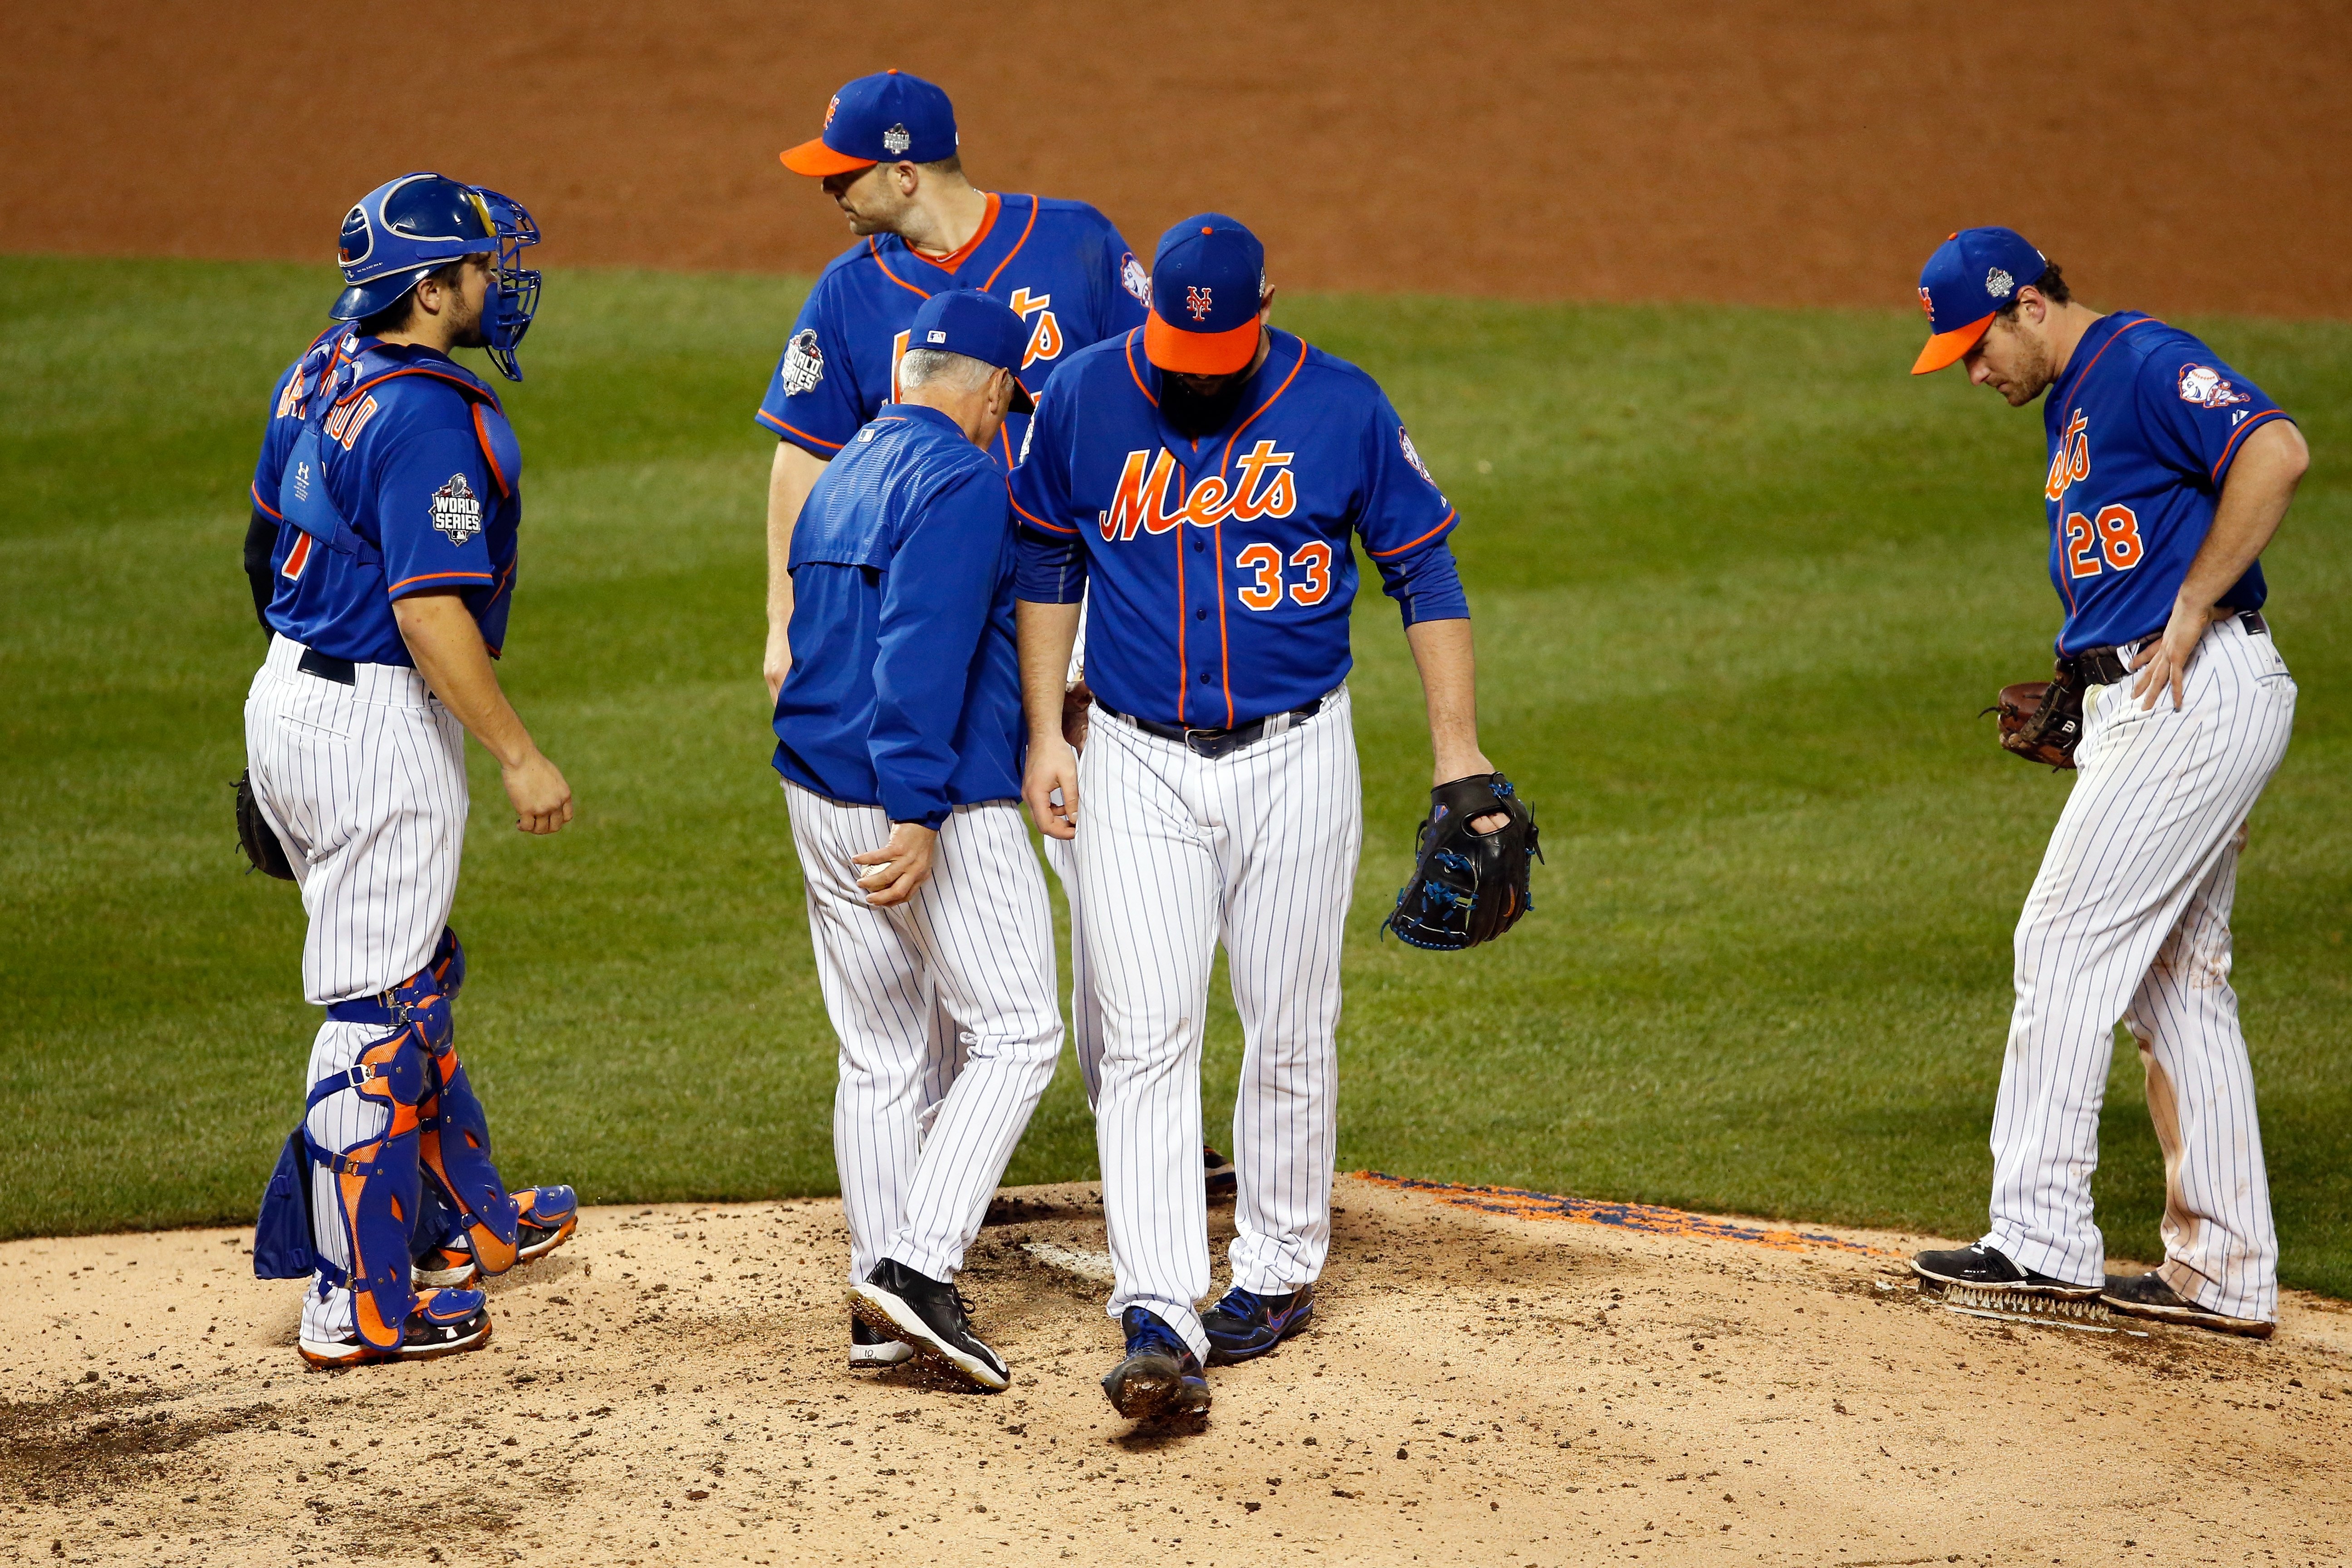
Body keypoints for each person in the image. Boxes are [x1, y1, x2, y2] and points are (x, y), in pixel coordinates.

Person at [1012, 215, 1509, 1418]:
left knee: (1290, 1023)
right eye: (1181, 349)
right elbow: (1043, 557)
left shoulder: (1340, 405)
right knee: (1142, 1034)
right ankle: (1160, 1310)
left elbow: (1425, 567)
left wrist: (1458, 753)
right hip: (1134, 757)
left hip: (1298, 757)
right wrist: (1042, 733)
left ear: (1267, 305)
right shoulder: (1082, 397)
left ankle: (1280, 1268)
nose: (1198, 370)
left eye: (1221, 345)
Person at [1906, 227, 2308, 1339]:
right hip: (2152, 696)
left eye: (1977, 347)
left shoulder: (2138, 360)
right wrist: (2089, 681)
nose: (1974, 373)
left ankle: (2038, 1241)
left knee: (2064, 942)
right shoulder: (2071, 399)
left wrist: (2189, 607)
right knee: (2176, 981)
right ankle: (2223, 1269)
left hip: (2194, 686)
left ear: (2028, 303)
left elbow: (2275, 450)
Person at [243, 173, 579, 1367]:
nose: (499, 282)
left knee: (410, 969)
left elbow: (264, 541)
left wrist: (274, 741)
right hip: (375, 715)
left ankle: (464, 1223)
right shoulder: (431, 416)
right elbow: (431, 609)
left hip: (294, 686)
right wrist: (519, 755)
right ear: (431, 291)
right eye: (480, 268)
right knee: (377, 1009)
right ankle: (354, 1306)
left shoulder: (317, 367)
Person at [774, 290, 1065, 1393]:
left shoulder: (843, 468)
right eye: (1007, 400)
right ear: (991, 387)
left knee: (885, 1052)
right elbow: (919, 651)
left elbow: (819, 637)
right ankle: (918, 1266)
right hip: (926, 794)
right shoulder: (961, 478)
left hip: (816, 786)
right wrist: (916, 810)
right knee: (1019, 1032)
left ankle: (877, 1308)